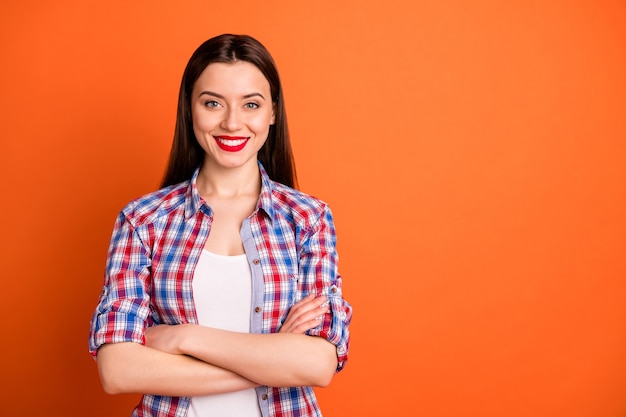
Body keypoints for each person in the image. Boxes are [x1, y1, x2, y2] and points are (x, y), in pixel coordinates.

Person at [88, 33, 352, 417]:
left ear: (272, 113)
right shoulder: (143, 220)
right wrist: (276, 357)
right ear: (189, 109)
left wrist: (182, 337)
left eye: (251, 104)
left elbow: (317, 365)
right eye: (213, 103)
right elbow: (118, 370)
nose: (232, 123)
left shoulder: (307, 219)